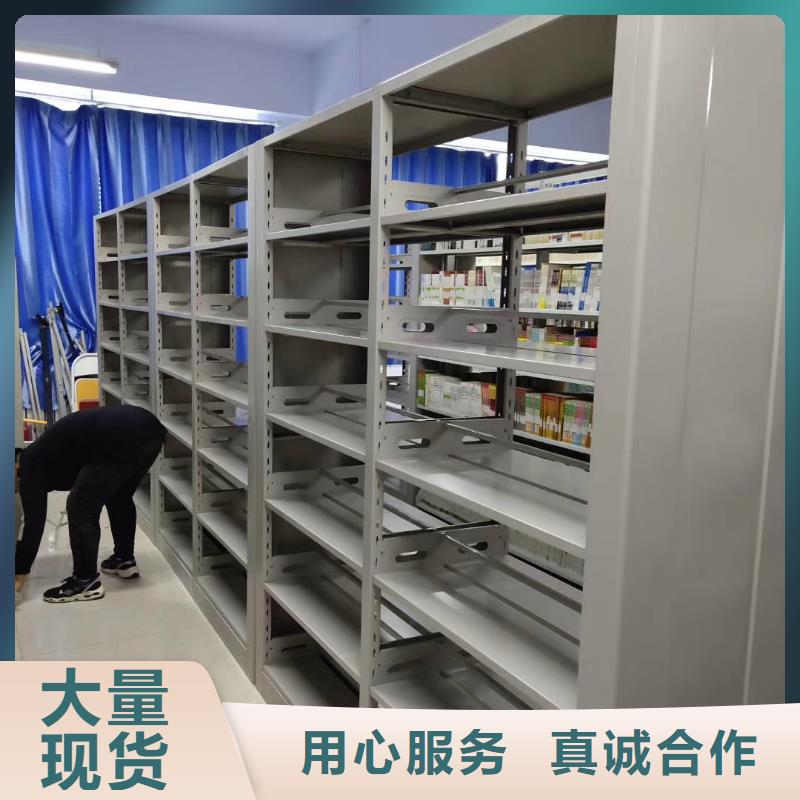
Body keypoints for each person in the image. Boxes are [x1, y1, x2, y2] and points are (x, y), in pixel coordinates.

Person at [14, 405, 166, 603]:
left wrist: (18, 571)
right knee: (119, 495)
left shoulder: (28, 464)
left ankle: (85, 581)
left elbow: (33, 524)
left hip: (119, 434)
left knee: (80, 505)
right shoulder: (43, 454)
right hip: (150, 429)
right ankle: (124, 559)